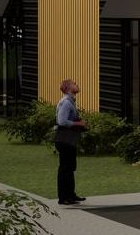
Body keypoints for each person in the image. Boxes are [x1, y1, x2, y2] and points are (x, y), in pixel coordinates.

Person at [54, 78, 87, 206]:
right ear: (68, 88)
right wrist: (78, 123)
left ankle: (70, 195)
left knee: (70, 167)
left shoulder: (70, 102)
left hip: (69, 139)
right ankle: (64, 197)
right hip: (64, 139)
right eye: (74, 84)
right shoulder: (66, 103)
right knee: (65, 168)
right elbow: (62, 121)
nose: (77, 84)